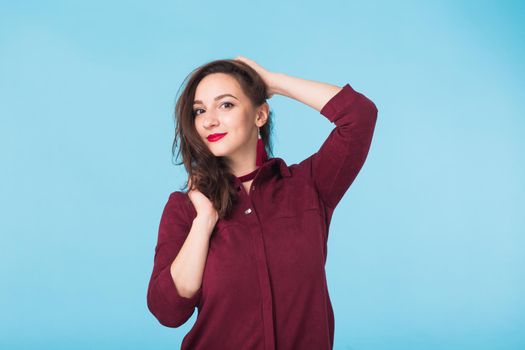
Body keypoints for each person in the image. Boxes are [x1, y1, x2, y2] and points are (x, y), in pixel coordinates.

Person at [146, 56, 378, 350]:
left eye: (226, 104)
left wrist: (273, 83)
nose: (209, 120)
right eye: (199, 110)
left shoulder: (310, 185)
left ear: (260, 115)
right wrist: (203, 222)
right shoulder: (186, 209)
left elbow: (359, 115)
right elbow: (168, 311)